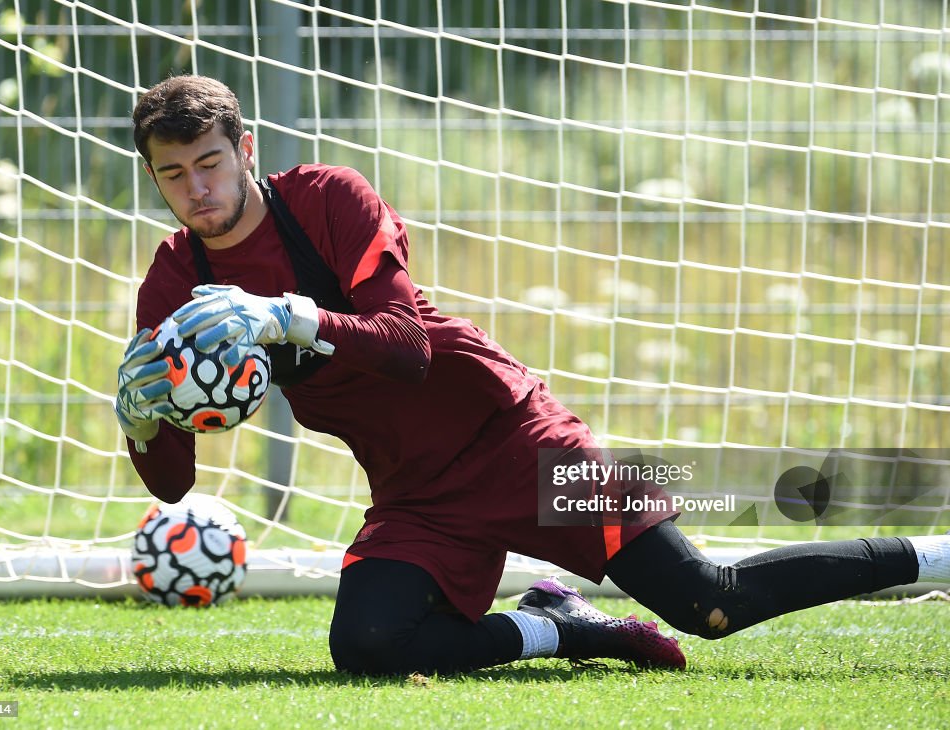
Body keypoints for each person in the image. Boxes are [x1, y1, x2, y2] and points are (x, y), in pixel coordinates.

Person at [115, 74, 950, 676]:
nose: (198, 188)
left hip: (519, 440)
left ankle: (937, 553)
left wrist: (284, 315)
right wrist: (143, 419)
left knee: (708, 602)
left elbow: (407, 348)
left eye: (211, 162)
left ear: (244, 148)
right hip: (417, 495)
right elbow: (174, 484)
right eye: (174, 174)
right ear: (155, 177)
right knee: (367, 648)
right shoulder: (174, 279)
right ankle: (564, 629)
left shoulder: (331, 198)